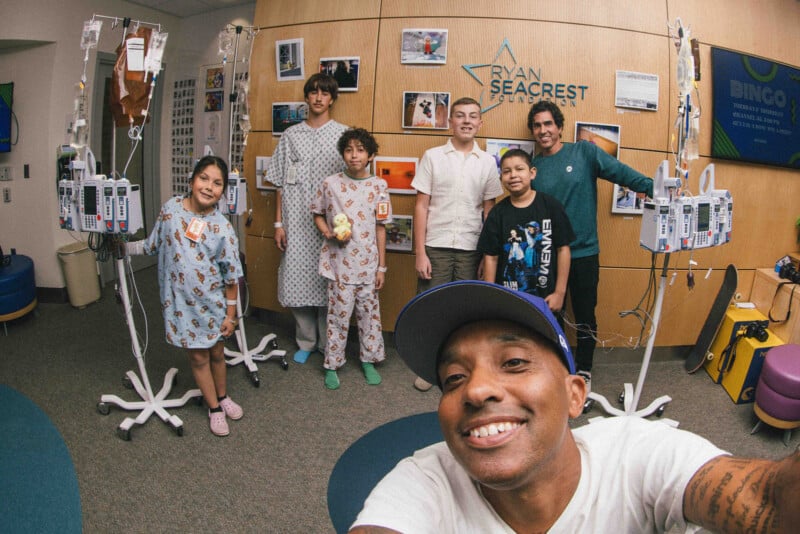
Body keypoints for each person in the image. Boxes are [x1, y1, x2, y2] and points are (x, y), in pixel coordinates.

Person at [350, 280, 800, 533]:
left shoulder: (635, 455)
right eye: (453, 378)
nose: (476, 391)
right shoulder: (423, 483)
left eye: (514, 363)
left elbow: (769, 501)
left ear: (575, 395)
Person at [528, 100, 654, 390]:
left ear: (559, 127)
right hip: (547, 257)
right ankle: (556, 366)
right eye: (537, 125)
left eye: (548, 124)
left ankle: (584, 369)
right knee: (549, 315)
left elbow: (623, 173)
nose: (543, 130)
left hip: (584, 252)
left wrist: (655, 188)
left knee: (585, 314)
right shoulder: (533, 168)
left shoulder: (584, 151)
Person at [126, 156, 244, 437]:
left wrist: (231, 315)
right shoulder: (171, 210)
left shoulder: (222, 228)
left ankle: (223, 396)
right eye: (204, 178)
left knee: (217, 353)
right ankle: (214, 408)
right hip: (181, 307)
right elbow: (153, 244)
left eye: (217, 183)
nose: (208, 187)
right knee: (198, 359)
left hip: (213, 306)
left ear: (222, 191)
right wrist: (125, 248)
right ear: (191, 180)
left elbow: (231, 276)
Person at [411, 96, 503, 391]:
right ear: (450, 121)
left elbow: (489, 211)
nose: (466, 121)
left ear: (480, 122)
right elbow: (421, 207)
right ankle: (429, 368)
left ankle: (463, 368)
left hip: (470, 247)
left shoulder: (488, 162)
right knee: (431, 307)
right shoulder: (433, 156)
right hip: (435, 246)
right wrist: (420, 252)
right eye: (460, 115)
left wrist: (485, 257)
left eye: (472, 116)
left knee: (466, 311)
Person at [267, 73, 347, 365]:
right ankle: (306, 340)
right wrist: (278, 224)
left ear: (332, 99)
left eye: (324, 93)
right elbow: (278, 182)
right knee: (296, 279)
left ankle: (329, 344)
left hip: (330, 223)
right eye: (313, 92)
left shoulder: (343, 135)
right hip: (296, 221)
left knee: (328, 281)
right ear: (306, 97)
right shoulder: (290, 136)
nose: (318, 98)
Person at [310, 127, 391, 390]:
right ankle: (332, 364)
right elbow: (317, 214)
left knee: (369, 315)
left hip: (368, 265)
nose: (354, 155)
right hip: (340, 265)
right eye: (348, 150)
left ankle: (369, 360)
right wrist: (329, 233)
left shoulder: (379, 185)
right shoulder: (330, 183)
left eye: (360, 150)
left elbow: (381, 226)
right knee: (338, 315)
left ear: (370, 155)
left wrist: (382, 267)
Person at [477, 148, 574, 314]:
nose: (513, 175)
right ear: (501, 178)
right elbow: (491, 258)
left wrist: (560, 292)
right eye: (507, 171)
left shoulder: (551, 206)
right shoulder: (497, 213)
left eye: (519, 169)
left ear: (532, 173)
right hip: (507, 299)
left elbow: (563, 249)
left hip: (547, 298)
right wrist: (490, 296)